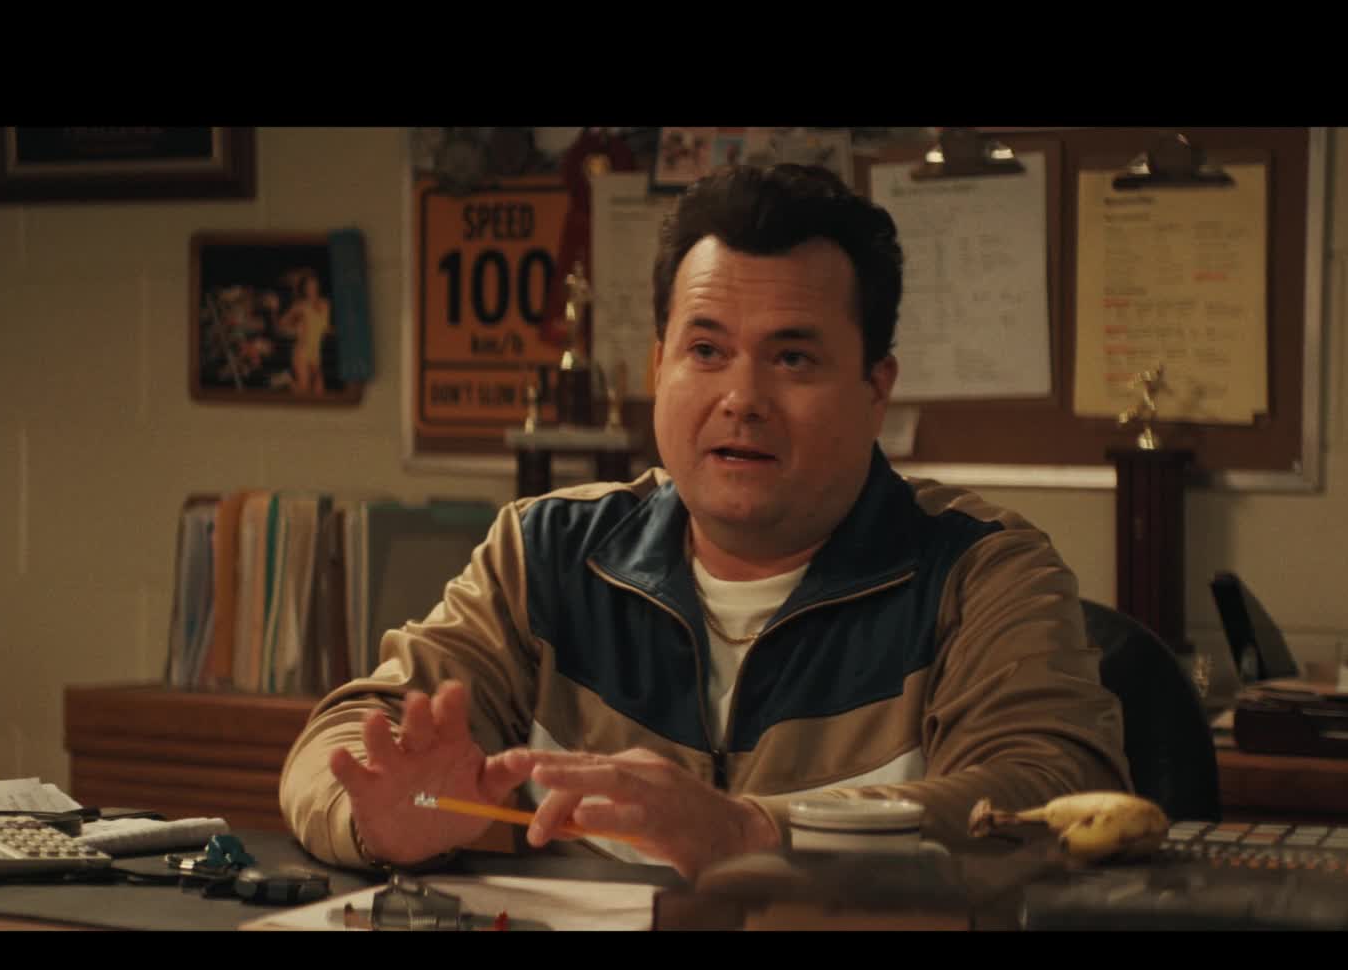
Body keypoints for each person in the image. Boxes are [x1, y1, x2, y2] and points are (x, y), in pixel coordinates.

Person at [279, 164, 1131, 880]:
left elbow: (1052, 794)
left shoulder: (979, 571)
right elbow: (346, 740)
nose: (741, 399)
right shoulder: (545, 555)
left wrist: (753, 833)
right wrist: (381, 819)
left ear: (876, 388)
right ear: (659, 367)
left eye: (792, 357)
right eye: (707, 351)